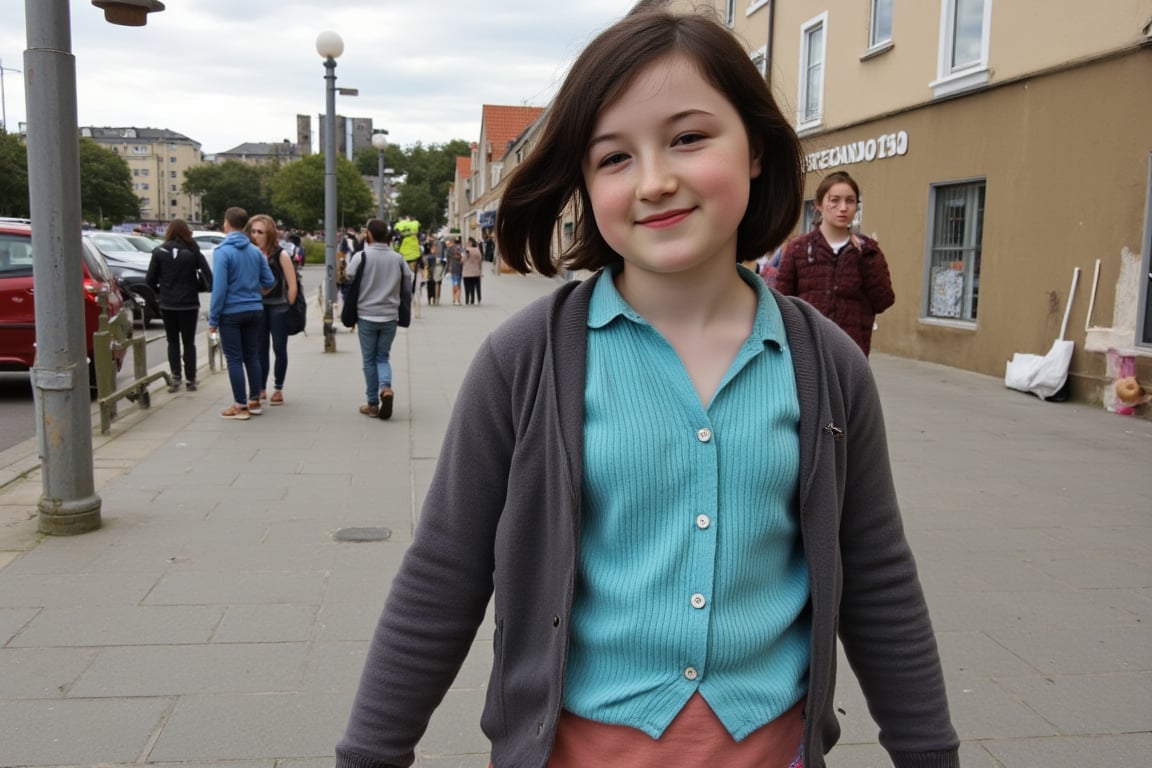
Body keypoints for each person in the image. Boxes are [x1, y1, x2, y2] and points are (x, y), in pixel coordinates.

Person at [336, 9, 957, 768]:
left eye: (689, 138)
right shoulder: (524, 359)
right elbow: (445, 570)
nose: (656, 180)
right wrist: (371, 752)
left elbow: (877, 574)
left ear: (755, 148)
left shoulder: (827, 365)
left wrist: (930, 751)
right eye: (613, 158)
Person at [775, 171, 895, 356]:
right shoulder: (799, 248)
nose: (843, 207)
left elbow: (883, 300)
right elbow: (781, 301)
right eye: (835, 200)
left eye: (850, 201)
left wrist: (866, 258)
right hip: (808, 349)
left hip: (851, 352)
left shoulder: (867, 250)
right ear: (819, 205)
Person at [208, 207, 275, 420]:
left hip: (231, 312)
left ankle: (240, 405)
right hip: (254, 309)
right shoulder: (255, 251)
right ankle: (254, 399)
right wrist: (253, 291)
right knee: (251, 355)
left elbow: (219, 289)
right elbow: (269, 281)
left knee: (234, 359)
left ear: (227, 223)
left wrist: (213, 318)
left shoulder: (222, 252)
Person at [346, 218, 412, 420]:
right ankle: (386, 388)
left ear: (369, 235)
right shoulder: (397, 258)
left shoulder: (361, 256)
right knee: (383, 356)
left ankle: (372, 404)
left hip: (366, 315)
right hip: (390, 316)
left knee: (368, 359)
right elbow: (408, 280)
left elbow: (349, 275)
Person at [146, 218, 213, 393]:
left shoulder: (159, 251)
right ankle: (191, 379)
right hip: (189, 303)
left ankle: (176, 377)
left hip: (168, 304)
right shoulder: (192, 250)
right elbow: (208, 277)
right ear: (186, 232)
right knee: (189, 342)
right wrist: (197, 286)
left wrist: (161, 292)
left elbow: (149, 281)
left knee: (172, 341)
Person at [246, 213, 299, 406]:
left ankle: (278, 387)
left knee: (279, 348)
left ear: (269, 233)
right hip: (257, 307)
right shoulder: (250, 253)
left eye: (260, 231)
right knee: (260, 349)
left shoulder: (280, 254)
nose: (255, 235)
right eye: (253, 231)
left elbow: (292, 284)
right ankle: (260, 388)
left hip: (278, 307)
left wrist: (289, 305)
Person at [461, 236, 483, 305]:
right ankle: (477, 298)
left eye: (468, 242)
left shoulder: (467, 250)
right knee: (475, 286)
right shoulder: (477, 250)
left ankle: (468, 299)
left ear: (470, 243)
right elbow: (480, 260)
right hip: (476, 272)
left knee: (467, 287)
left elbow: (462, 260)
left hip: (467, 272)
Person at [444, 237, 463, 305]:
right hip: (455, 269)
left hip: (456, 269)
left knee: (457, 284)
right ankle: (456, 299)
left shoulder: (456, 249)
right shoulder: (452, 249)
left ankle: (456, 299)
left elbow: (448, 260)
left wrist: (447, 269)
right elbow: (448, 260)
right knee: (456, 284)